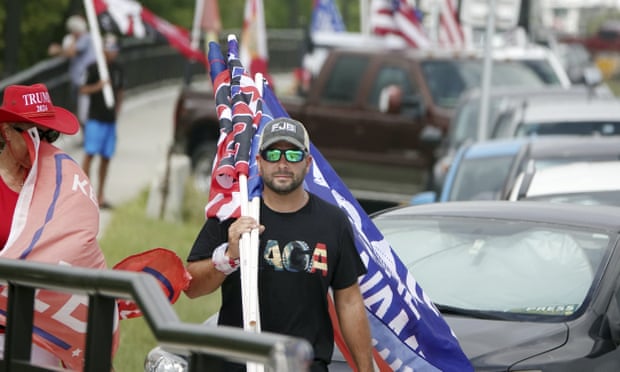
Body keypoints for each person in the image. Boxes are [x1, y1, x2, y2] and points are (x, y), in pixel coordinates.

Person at [184, 118, 374, 372]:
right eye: (273, 154)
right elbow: (192, 286)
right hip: (237, 363)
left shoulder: (333, 222)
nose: (282, 163)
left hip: (304, 366)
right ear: (259, 163)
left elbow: (349, 301)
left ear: (307, 164)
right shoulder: (233, 216)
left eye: (293, 154)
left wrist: (366, 369)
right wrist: (229, 257)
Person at [0, 83, 115, 369]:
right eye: (31, 134)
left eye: (47, 134)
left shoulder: (61, 185)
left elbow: (78, 251)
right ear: (5, 131)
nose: (41, 144)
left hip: (43, 336)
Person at [80, 33, 125, 209]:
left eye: (115, 49)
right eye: (109, 49)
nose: (112, 53)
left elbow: (121, 90)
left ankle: (100, 195)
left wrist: (118, 108)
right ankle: (83, 194)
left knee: (106, 157)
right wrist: (97, 87)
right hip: (95, 118)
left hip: (110, 119)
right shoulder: (93, 68)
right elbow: (82, 89)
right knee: (90, 154)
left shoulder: (119, 69)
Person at [48, 14, 96, 126]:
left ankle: (87, 138)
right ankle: (86, 137)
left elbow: (71, 52)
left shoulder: (85, 38)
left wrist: (58, 50)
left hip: (84, 80)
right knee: (80, 110)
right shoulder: (81, 38)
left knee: (84, 112)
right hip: (78, 80)